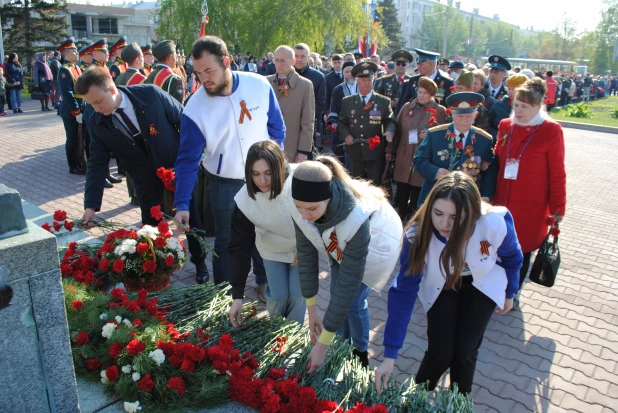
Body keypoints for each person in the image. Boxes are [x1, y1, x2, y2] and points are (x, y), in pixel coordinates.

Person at [374, 171, 523, 396]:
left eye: (455, 217)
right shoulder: (417, 236)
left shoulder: (493, 222)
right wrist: (390, 355)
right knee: (440, 351)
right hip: (441, 286)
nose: (444, 223)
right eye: (438, 213)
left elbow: (513, 258)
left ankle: (458, 403)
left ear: (472, 213)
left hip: (482, 284)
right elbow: (403, 293)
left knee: (465, 351)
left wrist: (510, 292)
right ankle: (416, 401)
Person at [75, 66, 210, 283]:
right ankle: (157, 271)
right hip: (143, 176)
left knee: (190, 216)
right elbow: (96, 162)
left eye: (98, 102)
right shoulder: (95, 120)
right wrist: (90, 205)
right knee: (150, 225)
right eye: (91, 104)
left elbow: (184, 122)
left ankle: (200, 261)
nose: (96, 108)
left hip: (175, 167)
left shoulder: (150, 95)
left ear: (111, 89)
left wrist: (191, 159)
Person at [172, 35, 285, 289]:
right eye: (199, 73)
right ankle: (224, 293)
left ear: (226, 61)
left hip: (264, 179)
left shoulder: (259, 85)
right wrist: (181, 203)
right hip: (224, 183)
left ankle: (265, 282)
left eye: (209, 70)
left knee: (265, 233)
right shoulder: (194, 108)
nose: (204, 79)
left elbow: (277, 128)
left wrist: (274, 161)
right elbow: (187, 160)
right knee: (225, 241)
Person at [288, 156, 402, 371]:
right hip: (339, 242)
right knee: (337, 295)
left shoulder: (356, 220)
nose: (303, 215)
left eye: (311, 209)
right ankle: (339, 347)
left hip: (377, 245)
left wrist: (321, 345)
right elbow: (306, 255)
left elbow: (348, 284)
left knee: (354, 301)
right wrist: (311, 311)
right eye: (299, 207)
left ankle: (360, 354)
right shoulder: (303, 205)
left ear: (328, 199)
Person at [492, 78, 566, 308]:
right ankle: (492, 285)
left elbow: (557, 172)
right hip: (501, 199)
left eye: (525, 106)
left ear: (538, 106)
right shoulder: (506, 125)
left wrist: (558, 209)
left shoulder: (550, 130)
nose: (519, 110)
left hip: (531, 206)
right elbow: (497, 157)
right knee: (492, 244)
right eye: (516, 105)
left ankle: (511, 292)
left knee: (520, 250)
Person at [228, 141, 305, 325]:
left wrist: (307, 249)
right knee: (278, 297)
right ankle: (277, 337)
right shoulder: (244, 200)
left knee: (297, 295)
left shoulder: (300, 180)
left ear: (278, 167)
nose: (262, 181)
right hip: (272, 249)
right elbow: (239, 247)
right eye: (255, 174)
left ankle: (294, 343)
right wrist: (237, 295)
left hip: (302, 249)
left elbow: (320, 221)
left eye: (268, 173)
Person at [413, 92, 497, 206]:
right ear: (452, 114)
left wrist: (486, 196)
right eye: (460, 116)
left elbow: (489, 170)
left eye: (468, 116)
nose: (464, 120)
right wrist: (435, 171)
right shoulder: (435, 134)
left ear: (475, 115)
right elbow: (419, 160)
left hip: (467, 199)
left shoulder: (484, 139)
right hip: (436, 195)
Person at [387, 77, 447, 221]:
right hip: (404, 158)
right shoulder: (407, 107)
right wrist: (389, 150)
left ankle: (414, 227)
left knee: (417, 200)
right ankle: (401, 223)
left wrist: (430, 134)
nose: (421, 95)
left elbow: (445, 136)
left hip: (423, 162)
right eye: (419, 92)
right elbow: (397, 129)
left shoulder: (439, 111)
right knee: (401, 197)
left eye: (425, 93)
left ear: (431, 95)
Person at [338, 61, 397, 186]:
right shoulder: (348, 101)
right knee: (356, 184)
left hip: (374, 150)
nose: (367, 82)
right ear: (357, 81)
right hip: (355, 149)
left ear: (373, 80)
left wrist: (389, 131)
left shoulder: (383, 101)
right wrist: (346, 135)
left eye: (369, 79)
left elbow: (390, 120)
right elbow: (342, 123)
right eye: (363, 79)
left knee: (374, 184)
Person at [266, 45, 314, 163]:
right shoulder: (265, 82)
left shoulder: (305, 85)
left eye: (283, 60)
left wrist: (303, 151)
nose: (279, 64)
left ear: (293, 61)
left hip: (292, 146)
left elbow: (308, 122)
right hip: (268, 145)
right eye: (276, 60)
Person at [58, 37, 88, 175]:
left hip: (81, 105)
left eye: (76, 51)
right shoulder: (64, 70)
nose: (77, 53)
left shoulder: (76, 67)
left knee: (80, 137)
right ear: (66, 54)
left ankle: (80, 163)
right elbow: (67, 93)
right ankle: (73, 165)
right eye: (74, 51)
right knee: (72, 137)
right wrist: (76, 111)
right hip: (70, 109)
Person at [397, 48, 453, 116]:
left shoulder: (447, 82)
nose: (418, 67)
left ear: (431, 64)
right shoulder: (413, 80)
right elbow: (403, 105)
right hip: (413, 121)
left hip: (435, 122)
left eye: (421, 65)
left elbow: (449, 108)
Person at [294, 43, 326, 153]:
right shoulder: (286, 74)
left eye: (302, 56)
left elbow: (320, 103)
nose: (298, 59)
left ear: (308, 58)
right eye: (296, 56)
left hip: (307, 126)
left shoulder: (318, 77)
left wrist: (304, 118)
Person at [327, 61, 357, 166]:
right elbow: (334, 107)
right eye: (347, 71)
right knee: (341, 156)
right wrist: (334, 122)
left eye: (351, 71)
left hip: (360, 126)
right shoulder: (338, 89)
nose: (349, 74)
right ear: (343, 73)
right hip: (343, 125)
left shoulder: (363, 87)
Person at [487, 73, 528, 140]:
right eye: (509, 89)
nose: (510, 92)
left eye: (514, 89)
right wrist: (496, 135)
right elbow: (487, 125)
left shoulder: (530, 108)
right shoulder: (498, 105)